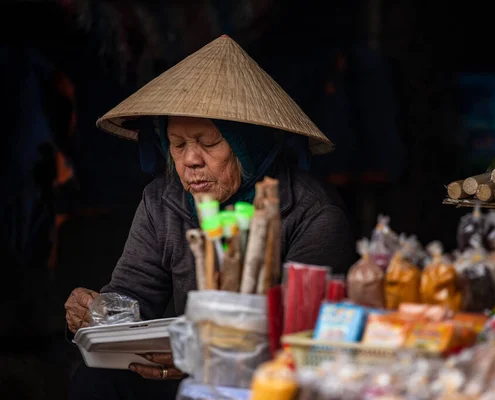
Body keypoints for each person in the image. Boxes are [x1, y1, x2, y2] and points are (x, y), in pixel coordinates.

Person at [66, 35, 357, 399]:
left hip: (269, 376)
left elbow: (308, 336)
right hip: (184, 369)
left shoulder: (311, 213)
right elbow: (133, 294)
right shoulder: (163, 201)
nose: (190, 160)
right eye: (178, 144)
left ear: (250, 145)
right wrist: (99, 312)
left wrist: (201, 357)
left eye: (208, 143)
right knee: (95, 382)